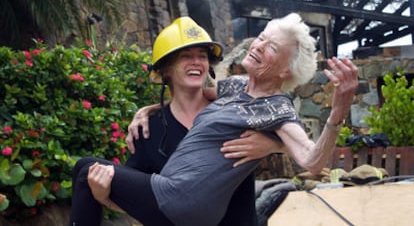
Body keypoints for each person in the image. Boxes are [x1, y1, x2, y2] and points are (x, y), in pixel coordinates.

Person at [70, 13, 359, 226]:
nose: (258, 46)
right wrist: (148, 109)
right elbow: (196, 92)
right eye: (261, 38)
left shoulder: (276, 108)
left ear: (286, 71)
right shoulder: (233, 88)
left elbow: (311, 160)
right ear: (166, 70)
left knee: (84, 167)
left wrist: (335, 113)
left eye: (272, 48)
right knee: (90, 174)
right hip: (177, 206)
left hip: (193, 205)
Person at [123, 17, 281, 225]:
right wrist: (101, 192)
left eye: (202, 56)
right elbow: (132, 197)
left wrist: (272, 145)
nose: (196, 62)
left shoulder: (235, 112)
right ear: (166, 70)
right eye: (185, 56)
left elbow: (304, 149)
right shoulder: (148, 130)